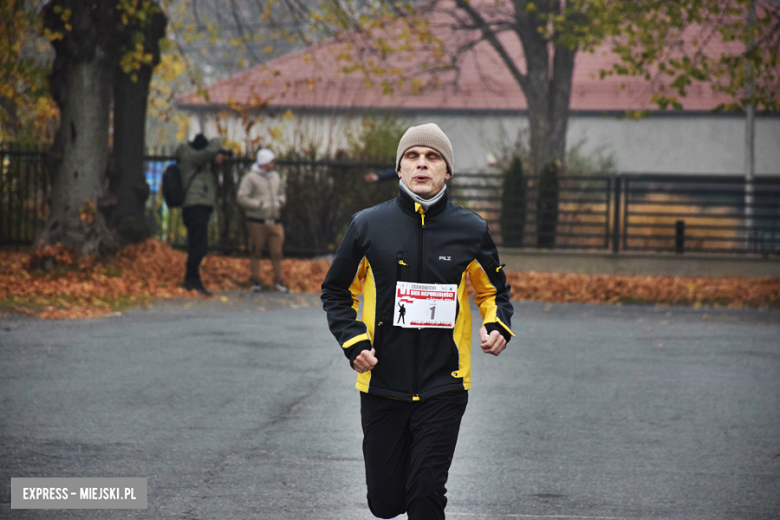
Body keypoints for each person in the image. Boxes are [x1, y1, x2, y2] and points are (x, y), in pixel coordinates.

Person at [321, 123, 515, 520]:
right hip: (382, 382)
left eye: (432, 157)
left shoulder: (471, 230)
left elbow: (493, 292)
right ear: (399, 169)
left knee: (425, 493)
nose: (421, 164)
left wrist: (497, 326)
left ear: (447, 172)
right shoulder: (367, 226)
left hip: (445, 382)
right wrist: (354, 341)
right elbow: (337, 291)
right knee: (386, 503)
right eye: (412, 156)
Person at [176, 133, 226, 296]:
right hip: (195, 205)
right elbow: (205, 154)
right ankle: (191, 279)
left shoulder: (201, 163)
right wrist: (216, 143)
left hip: (200, 206)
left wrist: (216, 162)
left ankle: (193, 278)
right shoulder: (190, 156)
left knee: (196, 244)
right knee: (199, 245)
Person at [237, 148, 289, 293]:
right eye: (271, 161)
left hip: (274, 220)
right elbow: (242, 197)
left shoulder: (276, 177)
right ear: (264, 162)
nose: (273, 164)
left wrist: (280, 202)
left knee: (277, 252)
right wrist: (259, 205)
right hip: (256, 220)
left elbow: (282, 193)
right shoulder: (251, 178)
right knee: (255, 251)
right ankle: (256, 280)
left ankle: (279, 281)